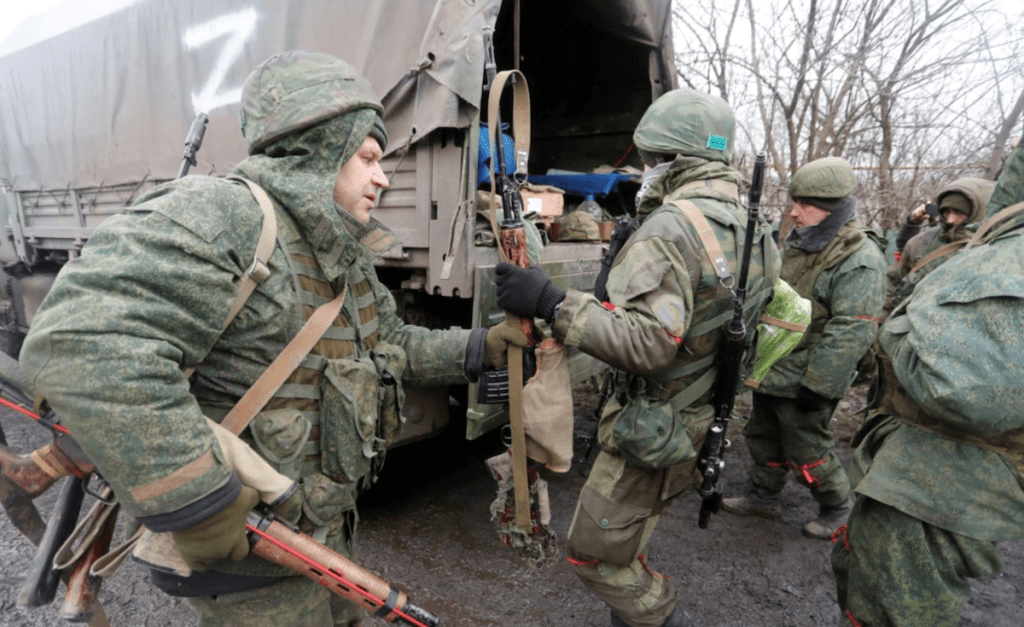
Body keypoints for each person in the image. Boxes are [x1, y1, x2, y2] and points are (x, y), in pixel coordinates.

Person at [19, 51, 526, 627]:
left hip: (322, 537)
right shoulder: (225, 214)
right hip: (250, 555)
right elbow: (82, 346)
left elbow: (391, 345)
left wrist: (481, 348)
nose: (383, 177)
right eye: (366, 157)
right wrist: (199, 503)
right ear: (319, 152)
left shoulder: (341, 253)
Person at [494, 88, 780, 627]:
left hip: (655, 423)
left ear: (672, 160)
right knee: (626, 539)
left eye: (649, 157)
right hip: (698, 416)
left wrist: (552, 301)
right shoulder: (752, 226)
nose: (643, 168)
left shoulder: (673, 227)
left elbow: (649, 343)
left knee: (595, 554)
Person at [832, 138, 1024, 627]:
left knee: (896, 602)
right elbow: (901, 278)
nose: (953, 221)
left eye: (962, 214)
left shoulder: (998, 261)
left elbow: (970, 391)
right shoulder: (935, 245)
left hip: (948, 473)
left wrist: (897, 333)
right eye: (948, 213)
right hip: (920, 450)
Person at [721, 156, 886, 539]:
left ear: (830, 211)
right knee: (762, 434)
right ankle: (763, 497)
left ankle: (837, 506)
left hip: (807, 375)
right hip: (774, 364)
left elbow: (852, 329)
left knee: (807, 445)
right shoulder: (803, 244)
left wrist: (819, 384)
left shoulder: (859, 259)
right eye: (794, 203)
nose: (793, 213)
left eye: (804, 206)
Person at [884, 177, 995, 315]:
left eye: (959, 213)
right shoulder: (923, 240)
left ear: (978, 213)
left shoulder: (993, 249)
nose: (950, 219)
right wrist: (882, 320)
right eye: (947, 211)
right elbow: (893, 280)